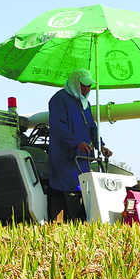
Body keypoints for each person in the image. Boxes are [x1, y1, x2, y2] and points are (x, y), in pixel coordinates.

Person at [47, 69, 113, 222]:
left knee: (84, 190)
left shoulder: (85, 103)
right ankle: (77, 223)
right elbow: (58, 126)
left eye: (89, 86)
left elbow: (91, 127)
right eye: (84, 85)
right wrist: (76, 142)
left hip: (83, 156)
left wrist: (101, 146)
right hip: (65, 156)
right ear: (75, 83)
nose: (87, 89)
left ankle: (81, 222)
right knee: (72, 189)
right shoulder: (59, 99)